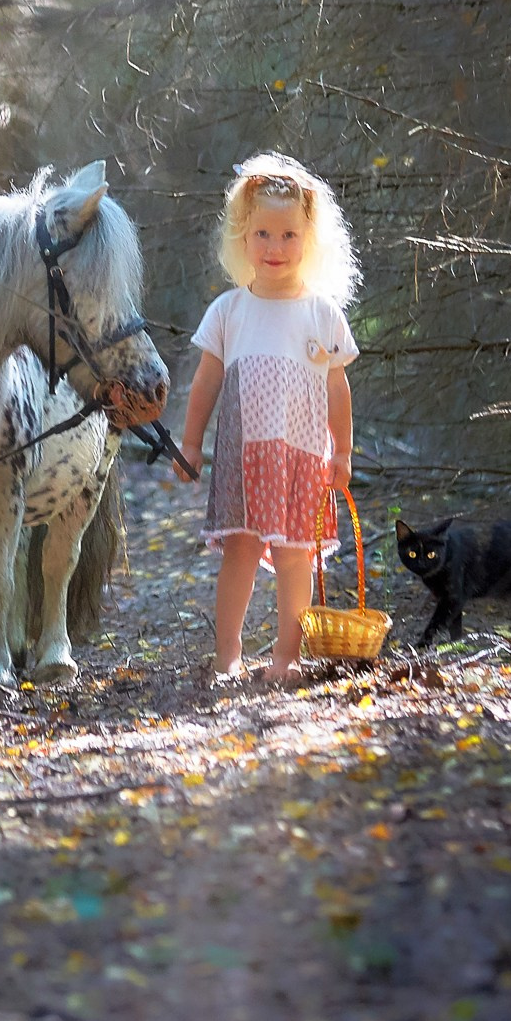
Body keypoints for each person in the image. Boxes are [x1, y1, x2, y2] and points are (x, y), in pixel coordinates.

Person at [178, 153, 360, 682]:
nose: (274, 248)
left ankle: (286, 654)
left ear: (310, 241)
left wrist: (343, 451)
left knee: (295, 557)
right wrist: (191, 445)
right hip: (241, 456)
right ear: (242, 236)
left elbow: (336, 386)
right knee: (240, 549)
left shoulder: (321, 312)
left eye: (288, 236)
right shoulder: (230, 310)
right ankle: (228, 653)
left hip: (302, 456)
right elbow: (206, 383)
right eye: (262, 234)